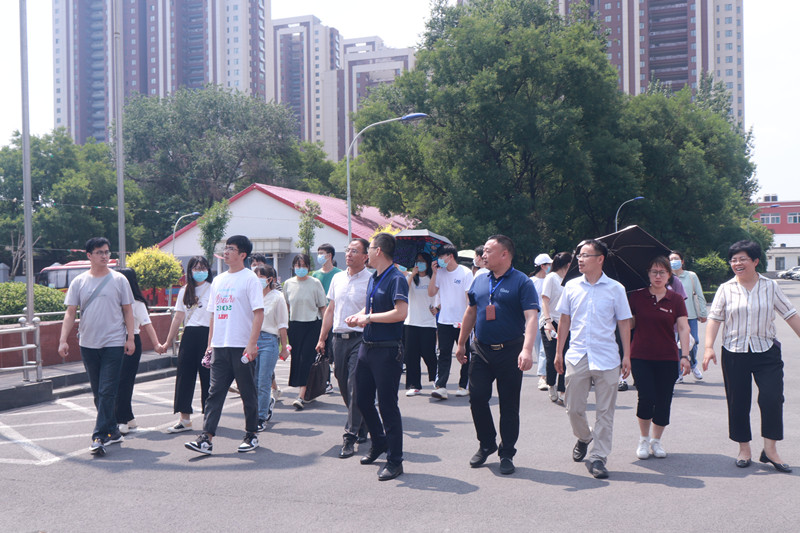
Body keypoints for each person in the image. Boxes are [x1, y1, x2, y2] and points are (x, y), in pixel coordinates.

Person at [703, 240, 800, 472]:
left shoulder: (770, 286)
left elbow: (790, 314)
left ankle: (770, 450)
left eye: (742, 259)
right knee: (738, 401)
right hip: (734, 352)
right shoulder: (725, 288)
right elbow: (714, 319)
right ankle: (744, 449)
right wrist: (708, 347)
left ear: (755, 261)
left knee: (772, 398)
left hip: (766, 351)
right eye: (733, 260)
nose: (737, 263)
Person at [455, 235, 539, 475]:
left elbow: (531, 317)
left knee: (509, 405)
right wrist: (461, 344)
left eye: (489, 251)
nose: (483, 255)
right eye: (483, 251)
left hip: (510, 351)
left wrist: (527, 349)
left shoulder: (522, 282)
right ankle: (487, 443)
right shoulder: (480, 280)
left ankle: (507, 452)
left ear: (504, 254)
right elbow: (471, 312)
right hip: (481, 350)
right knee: (477, 397)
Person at [555, 239, 632, 479]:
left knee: (605, 412)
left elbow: (624, 322)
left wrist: (627, 355)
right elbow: (564, 320)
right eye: (579, 255)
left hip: (607, 357)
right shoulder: (571, 286)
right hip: (577, 354)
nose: (580, 259)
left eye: (585, 255)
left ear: (600, 259)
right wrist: (558, 352)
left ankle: (599, 457)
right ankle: (584, 437)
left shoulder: (616, 288)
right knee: (573, 408)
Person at [185, 235, 264, 455]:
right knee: (214, 393)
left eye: (231, 248)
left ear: (243, 254)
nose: (226, 252)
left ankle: (251, 434)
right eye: (225, 247)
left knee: (247, 392)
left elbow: (259, 313)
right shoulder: (218, 280)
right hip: (220, 346)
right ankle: (206, 439)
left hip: (241, 346)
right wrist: (210, 344)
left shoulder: (250, 279)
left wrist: (252, 344)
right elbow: (213, 315)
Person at [58, 237, 135, 456]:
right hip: (88, 343)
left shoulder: (119, 280)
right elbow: (70, 313)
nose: (104, 256)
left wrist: (130, 338)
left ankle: (99, 436)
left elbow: (128, 310)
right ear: (89, 255)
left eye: (107, 252)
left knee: (106, 390)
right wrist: (63, 340)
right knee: (98, 392)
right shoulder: (79, 282)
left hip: (114, 342)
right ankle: (113, 430)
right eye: (99, 252)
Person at [345, 232, 409, 481]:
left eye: (369, 248)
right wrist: (359, 315)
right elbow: (371, 307)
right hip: (367, 347)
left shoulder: (397, 278)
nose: (367, 253)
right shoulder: (374, 277)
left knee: (387, 405)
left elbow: (400, 313)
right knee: (362, 399)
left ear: (378, 251)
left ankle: (395, 460)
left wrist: (368, 318)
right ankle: (379, 441)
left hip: (387, 350)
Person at [628, 257, 691, 460]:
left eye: (662, 272)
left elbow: (683, 327)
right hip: (640, 356)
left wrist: (685, 356)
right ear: (648, 274)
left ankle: (656, 440)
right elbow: (629, 325)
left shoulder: (676, 299)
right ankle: (643, 439)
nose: (658, 276)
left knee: (664, 400)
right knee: (646, 397)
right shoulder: (636, 296)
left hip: (667, 357)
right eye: (654, 272)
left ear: (669, 275)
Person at [316, 238, 372, 458]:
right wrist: (322, 338)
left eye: (355, 251)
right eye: (348, 250)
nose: (349, 254)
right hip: (338, 339)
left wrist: (360, 318)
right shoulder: (337, 278)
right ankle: (363, 421)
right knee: (341, 380)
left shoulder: (371, 280)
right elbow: (331, 309)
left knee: (354, 384)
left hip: (361, 338)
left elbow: (372, 309)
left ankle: (350, 436)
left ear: (366, 256)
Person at [159, 256, 213, 433]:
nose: (200, 271)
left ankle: (209, 418)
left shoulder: (214, 289)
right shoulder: (185, 290)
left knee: (208, 377)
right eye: (196, 268)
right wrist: (168, 341)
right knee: (184, 377)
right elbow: (178, 318)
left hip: (208, 336)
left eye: (203, 268)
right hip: (189, 335)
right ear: (190, 271)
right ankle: (184, 419)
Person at [115, 268, 161, 435]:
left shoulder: (137, 303)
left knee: (124, 383)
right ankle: (129, 418)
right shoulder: (114, 301)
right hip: (114, 343)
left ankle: (122, 420)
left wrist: (157, 345)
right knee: (118, 383)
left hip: (131, 342)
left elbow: (147, 325)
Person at [428, 244, 473, 399]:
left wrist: (468, 320)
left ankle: (463, 385)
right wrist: (434, 273)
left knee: (465, 354)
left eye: (441, 257)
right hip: (444, 320)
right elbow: (431, 292)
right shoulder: (440, 273)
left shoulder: (465, 272)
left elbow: (469, 299)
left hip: (462, 321)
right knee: (444, 353)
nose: (439, 260)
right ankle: (441, 386)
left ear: (450, 256)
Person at [283, 253, 327, 410]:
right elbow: (286, 307)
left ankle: (301, 396)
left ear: (308, 267)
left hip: (312, 325)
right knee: (297, 359)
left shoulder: (315, 283)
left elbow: (323, 307)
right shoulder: (288, 284)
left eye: (303, 265)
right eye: (298, 265)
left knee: (306, 359)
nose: (300, 268)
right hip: (294, 326)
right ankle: (308, 391)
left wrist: (325, 331)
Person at [254, 265, 289, 431]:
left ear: (270, 279)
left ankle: (261, 417)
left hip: (269, 340)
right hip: (252, 341)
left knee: (263, 380)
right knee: (253, 381)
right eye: (256, 277)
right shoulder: (252, 296)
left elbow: (282, 324)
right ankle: (264, 405)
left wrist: (284, 347)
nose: (258, 280)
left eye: (261, 277)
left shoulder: (277, 297)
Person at [403, 252, 440, 396]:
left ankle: (436, 380)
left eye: (423, 261)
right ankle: (414, 385)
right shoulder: (410, 278)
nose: (420, 263)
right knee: (411, 356)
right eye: (418, 261)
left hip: (428, 323)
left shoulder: (433, 278)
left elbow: (441, 295)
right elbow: (403, 291)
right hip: (411, 322)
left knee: (429, 353)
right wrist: (412, 274)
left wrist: (438, 308)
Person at [669, 250, 708, 381]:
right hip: (673, 318)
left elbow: (699, 294)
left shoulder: (691, 276)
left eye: (676, 259)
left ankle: (692, 364)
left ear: (682, 261)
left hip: (690, 315)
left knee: (694, 341)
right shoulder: (667, 277)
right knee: (677, 345)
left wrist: (703, 313)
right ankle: (679, 372)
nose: (673, 261)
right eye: (671, 259)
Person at [539, 252, 571, 404]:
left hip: (566, 323)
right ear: (567, 264)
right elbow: (545, 300)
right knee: (552, 356)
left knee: (565, 357)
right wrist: (548, 321)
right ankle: (551, 384)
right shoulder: (551, 277)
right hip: (551, 322)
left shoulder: (570, 280)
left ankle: (563, 390)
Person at [312, 243, 341, 394]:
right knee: (321, 350)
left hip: (334, 317)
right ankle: (326, 381)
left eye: (322, 253)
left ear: (329, 255)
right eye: (318, 253)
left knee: (332, 350)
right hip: (318, 317)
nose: (319, 256)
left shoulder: (339, 274)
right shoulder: (315, 275)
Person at [530, 253, 552, 392]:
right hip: (534, 317)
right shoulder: (531, 281)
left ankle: (543, 377)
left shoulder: (551, 280)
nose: (551, 267)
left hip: (546, 317)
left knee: (545, 347)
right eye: (549, 264)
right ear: (543, 266)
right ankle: (544, 374)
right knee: (539, 348)